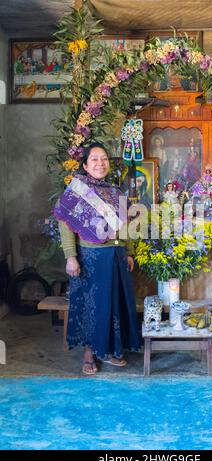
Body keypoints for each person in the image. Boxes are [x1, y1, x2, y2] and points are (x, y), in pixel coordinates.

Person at [53, 143, 140, 374]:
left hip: (117, 256)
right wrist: (71, 257)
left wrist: (129, 251)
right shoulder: (77, 191)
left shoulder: (116, 191)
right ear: (84, 165)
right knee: (92, 306)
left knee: (114, 303)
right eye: (94, 159)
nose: (100, 163)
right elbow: (65, 225)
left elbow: (127, 224)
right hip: (91, 257)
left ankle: (110, 350)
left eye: (103, 159)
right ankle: (90, 353)